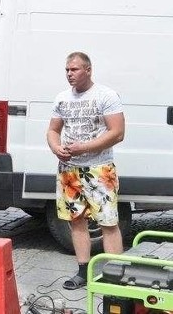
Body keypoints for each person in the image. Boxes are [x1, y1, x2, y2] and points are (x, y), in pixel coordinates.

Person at [46, 51, 125, 290]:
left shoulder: (106, 95)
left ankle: (115, 274)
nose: (70, 74)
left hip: (99, 169)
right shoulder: (62, 98)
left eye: (75, 69)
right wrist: (56, 147)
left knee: (108, 222)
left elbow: (117, 133)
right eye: (67, 70)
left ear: (88, 70)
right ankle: (83, 271)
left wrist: (84, 148)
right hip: (69, 170)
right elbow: (52, 130)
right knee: (76, 220)